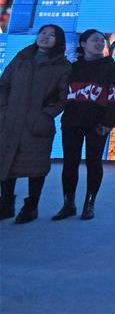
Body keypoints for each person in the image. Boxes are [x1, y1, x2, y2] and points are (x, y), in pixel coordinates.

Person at [0, 25, 71, 224]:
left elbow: (64, 97)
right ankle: (6, 204)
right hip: (10, 121)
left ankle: (31, 206)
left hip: (36, 124)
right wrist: (3, 109)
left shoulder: (63, 66)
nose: (46, 37)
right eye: (43, 33)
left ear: (59, 41)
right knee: (6, 162)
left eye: (52, 35)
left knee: (36, 167)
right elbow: (4, 85)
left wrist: (46, 114)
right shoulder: (21, 58)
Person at [52, 30, 115, 221]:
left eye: (102, 40)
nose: (100, 43)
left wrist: (108, 122)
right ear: (83, 44)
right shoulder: (72, 68)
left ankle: (89, 204)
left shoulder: (112, 68)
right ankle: (68, 204)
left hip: (98, 124)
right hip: (72, 122)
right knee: (70, 163)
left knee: (94, 162)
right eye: (95, 40)